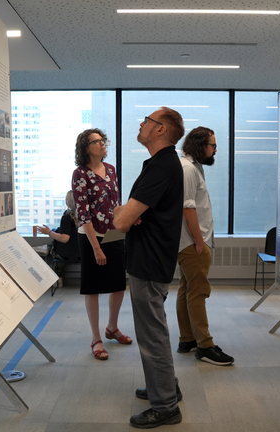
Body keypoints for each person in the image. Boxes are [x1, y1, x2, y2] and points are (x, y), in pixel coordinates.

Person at [114, 107, 185, 428]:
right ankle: (166, 386)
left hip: (149, 262)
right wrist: (127, 212)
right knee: (155, 330)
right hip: (152, 259)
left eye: (147, 120)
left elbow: (123, 220)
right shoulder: (161, 164)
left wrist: (123, 213)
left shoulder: (162, 166)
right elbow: (131, 214)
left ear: (161, 130)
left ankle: (166, 406)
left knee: (151, 335)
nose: (141, 123)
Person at [174, 127, 234, 366]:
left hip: (191, 241)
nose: (215, 149)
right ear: (201, 146)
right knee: (198, 292)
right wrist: (199, 242)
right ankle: (205, 346)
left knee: (186, 289)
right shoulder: (188, 169)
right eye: (212, 145)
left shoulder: (193, 166)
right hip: (192, 242)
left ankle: (187, 339)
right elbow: (187, 208)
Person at [71, 128, 130, 361]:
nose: (103, 143)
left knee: (118, 284)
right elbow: (83, 214)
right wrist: (96, 247)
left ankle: (112, 328)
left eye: (103, 140)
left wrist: (126, 220)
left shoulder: (112, 170)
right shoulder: (80, 174)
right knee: (93, 287)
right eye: (97, 141)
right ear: (86, 148)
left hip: (114, 233)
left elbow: (116, 203)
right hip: (90, 236)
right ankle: (96, 338)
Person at [36, 191, 79, 257]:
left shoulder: (67, 217)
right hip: (82, 252)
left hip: (68, 254)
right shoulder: (84, 215)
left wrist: (49, 232)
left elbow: (64, 238)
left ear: (68, 202)